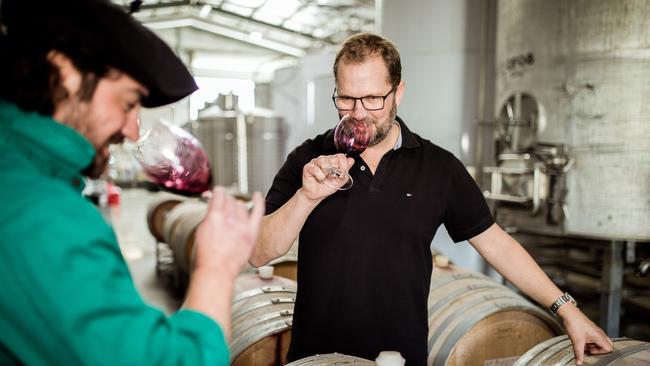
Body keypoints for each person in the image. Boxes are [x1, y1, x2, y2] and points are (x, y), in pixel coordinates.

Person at [250, 32, 613, 365]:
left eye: (373, 98)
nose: (358, 112)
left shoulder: (438, 167)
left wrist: (567, 310)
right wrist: (307, 196)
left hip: (397, 359)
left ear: (398, 92)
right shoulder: (308, 158)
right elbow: (260, 252)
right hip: (317, 358)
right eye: (346, 98)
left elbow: (496, 244)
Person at [0, 0, 263, 364]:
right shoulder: (44, 215)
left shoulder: (22, 171)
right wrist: (216, 267)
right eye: (128, 103)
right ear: (65, 73)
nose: (130, 130)